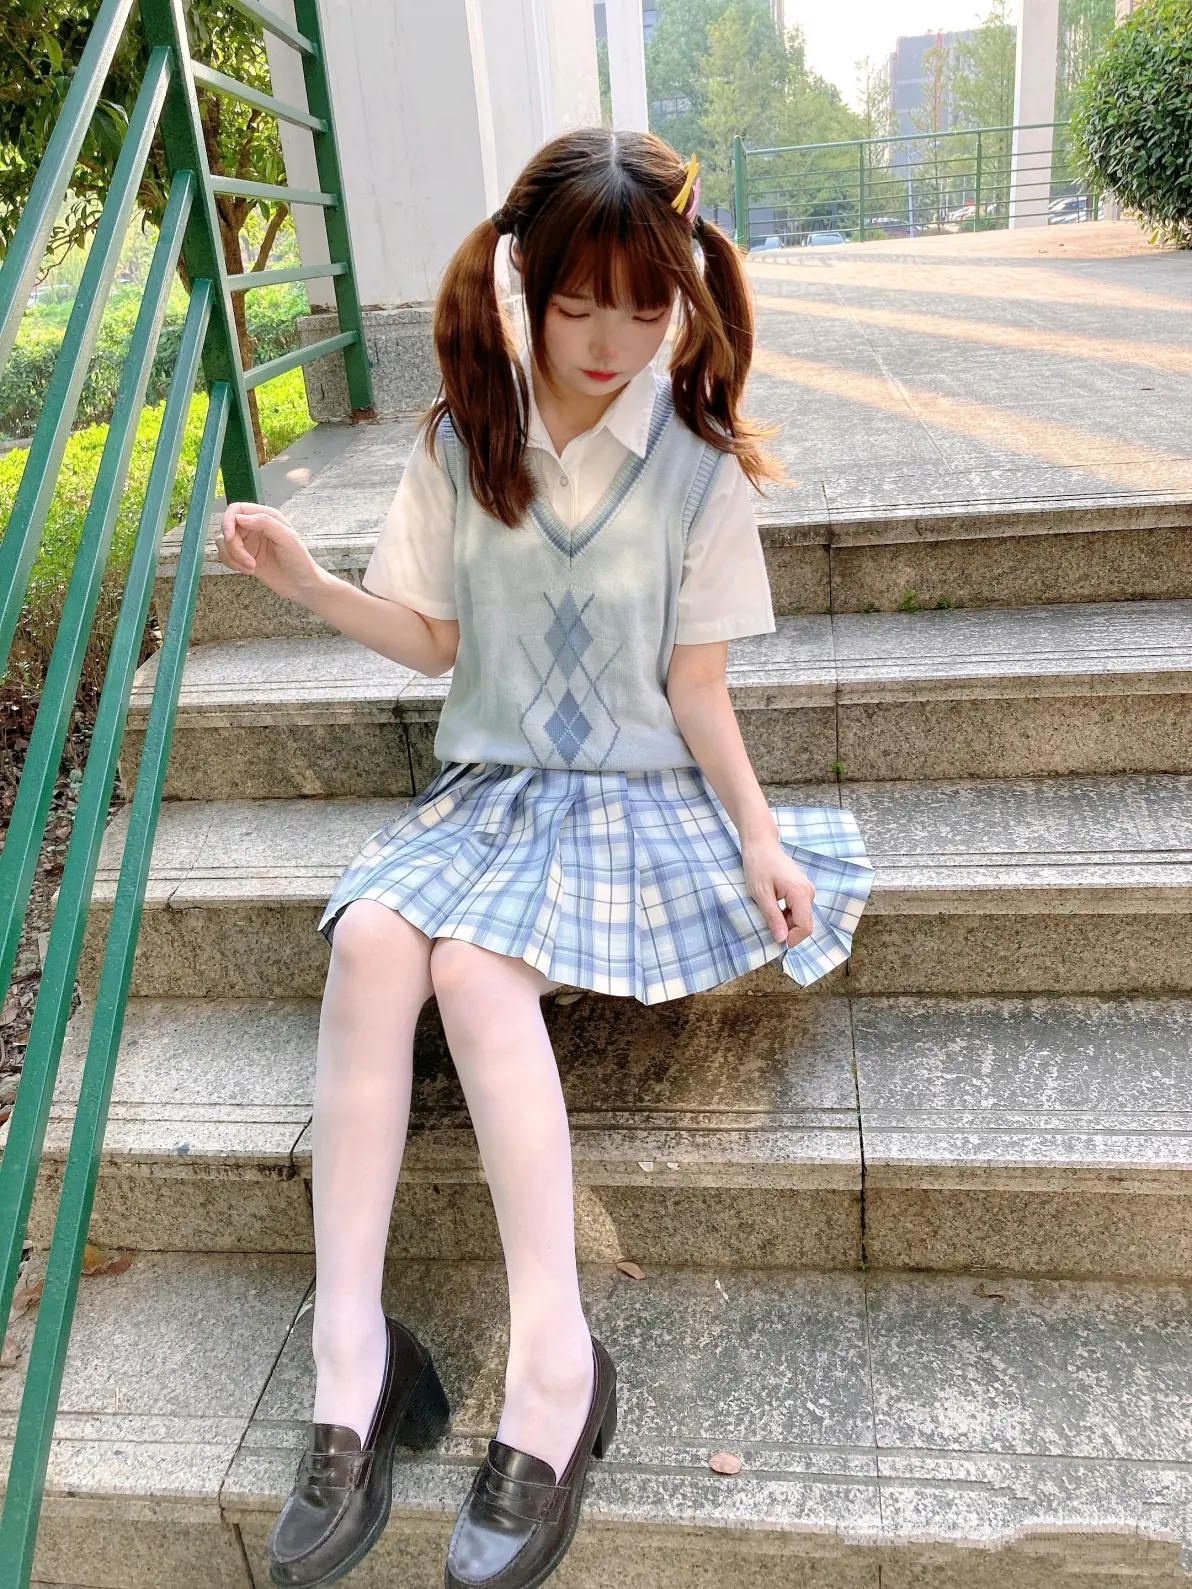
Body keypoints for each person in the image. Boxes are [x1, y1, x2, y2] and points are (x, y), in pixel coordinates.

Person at [215, 127, 873, 1589]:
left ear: (681, 299)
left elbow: (696, 687)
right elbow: (436, 644)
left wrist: (759, 832)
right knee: (370, 938)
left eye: (645, 307)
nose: (612, 340)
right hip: (495, 791)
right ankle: (350, 1358)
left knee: (471, 968)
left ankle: (555, 1366)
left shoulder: (696, 471)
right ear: (528, 282)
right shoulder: (463, 440)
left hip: (631, 800)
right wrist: (311, 584)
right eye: (581, 305)